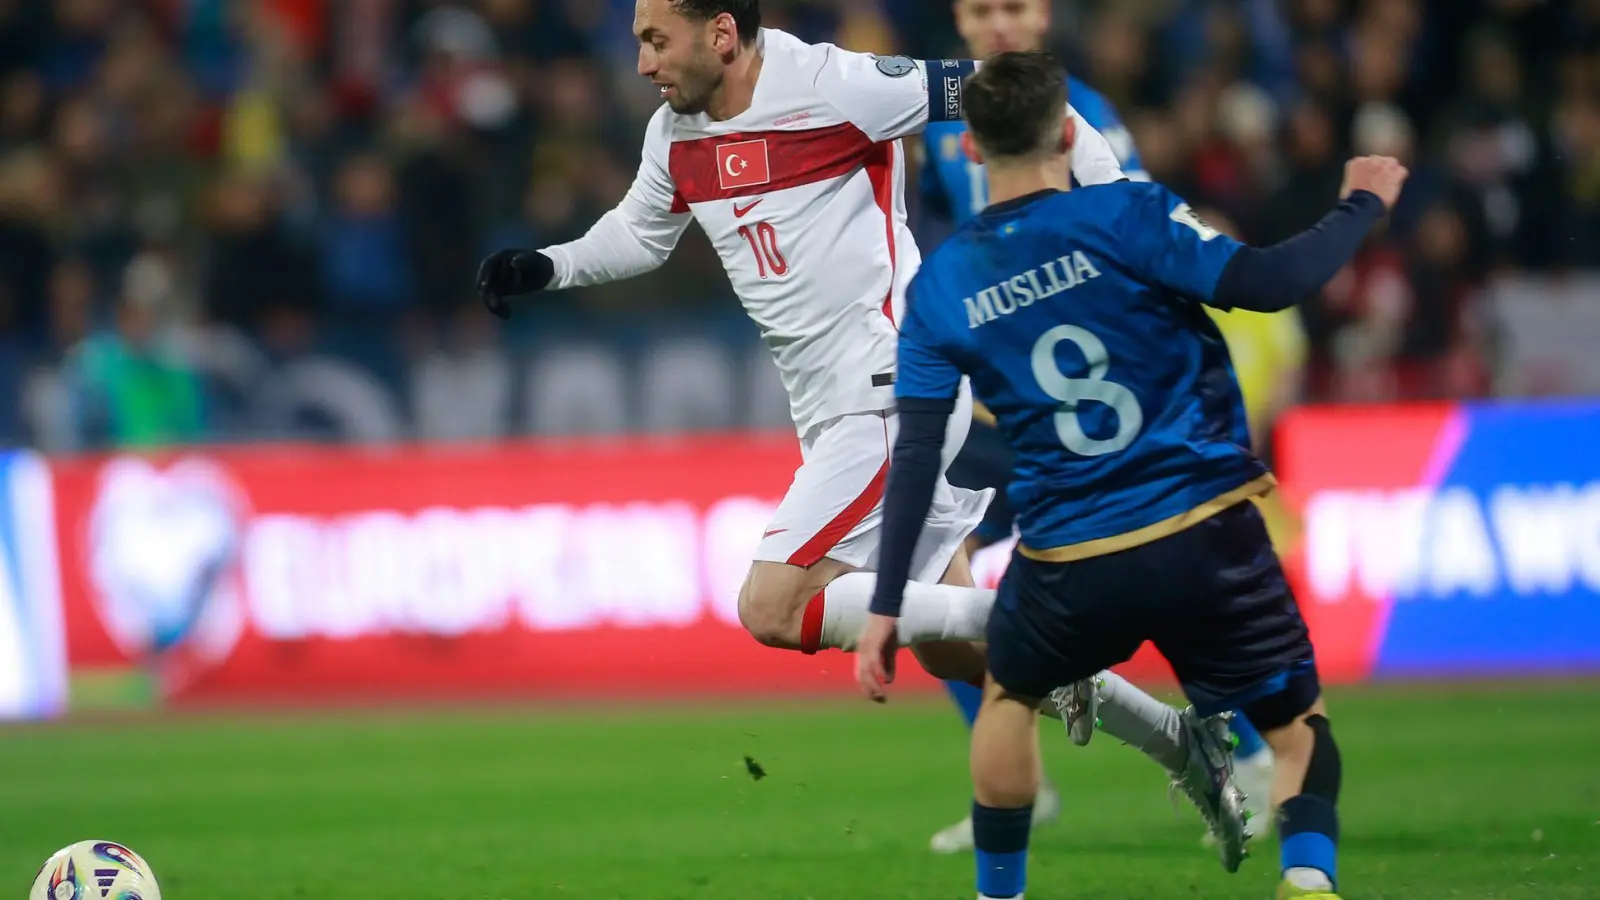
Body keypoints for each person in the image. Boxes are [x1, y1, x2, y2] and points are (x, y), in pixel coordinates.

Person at [476, 0, 1241, 857]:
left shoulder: (836, 86)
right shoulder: (675, 136)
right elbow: (640, 235)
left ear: (721, 34)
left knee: (772, 605)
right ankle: (1180, 743)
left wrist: (1120, 212)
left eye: (657, 40)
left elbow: (1019, 94)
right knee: (961, 650)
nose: (645, 63)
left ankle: (1051, 617)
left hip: (891, 389)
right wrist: (547, 265)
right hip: (833, 408)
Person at [859, 50, 1407, 900]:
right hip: (1205, 533)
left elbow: (918, 455)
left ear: (969, 149)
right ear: (1071, 133)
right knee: (1299, 735)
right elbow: (1270, 282)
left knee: (1007, 699)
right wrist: (1361, 201)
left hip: (1070, 559)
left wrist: (889, 603)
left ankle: (997, 895)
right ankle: (1307, 883)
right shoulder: (1131, 215)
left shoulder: (941, 287)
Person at [911, 0, 1275, 854]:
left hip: (1070, 397)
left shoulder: (1085, 120)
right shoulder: (928, 127)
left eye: (1014, 8)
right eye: (980, 10)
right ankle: (1016, 782)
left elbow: (1131, 232)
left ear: (1041, 17)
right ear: (959, 23)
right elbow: (934, 239)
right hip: (992, 393)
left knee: (1145, 568)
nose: (997, 25)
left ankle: (1250, 746)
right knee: (940, 586)